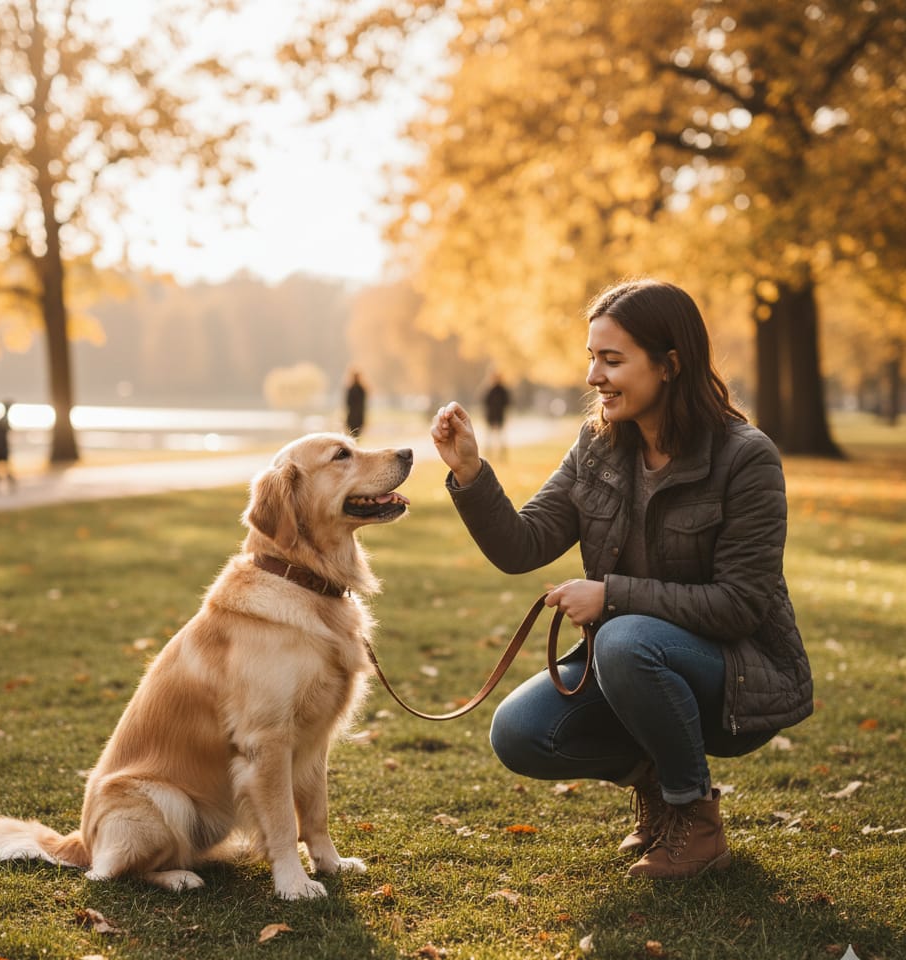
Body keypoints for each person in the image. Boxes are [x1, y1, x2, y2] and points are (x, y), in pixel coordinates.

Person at [430, 279, 812, 880]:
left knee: (624, 637)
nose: (593, 377)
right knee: (519, 732)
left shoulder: (746, 457)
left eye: (612, 360)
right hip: (631, 661)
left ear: (669, 365)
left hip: (736, 674)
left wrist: (611, 596)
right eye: (592, 358)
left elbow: (741, 606)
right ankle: (656, 784)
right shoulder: (598, 445)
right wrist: (472, 474)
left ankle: (697, 818)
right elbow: (521, 544)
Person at [481, 371, 511, 459]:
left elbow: (507, 404)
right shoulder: (490, 390)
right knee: (489, 438)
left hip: (498, 416)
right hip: (492, 416)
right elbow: (485, 404)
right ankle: (488, 454)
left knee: (500, 437)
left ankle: (502, 455)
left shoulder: (502, 390)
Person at [345, 369, 367, 437]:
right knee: (355, 433)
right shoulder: (361, 389)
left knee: (354, 433)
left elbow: (348, 403)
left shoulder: (354, 388)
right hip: (357, 415)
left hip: (355, 416)